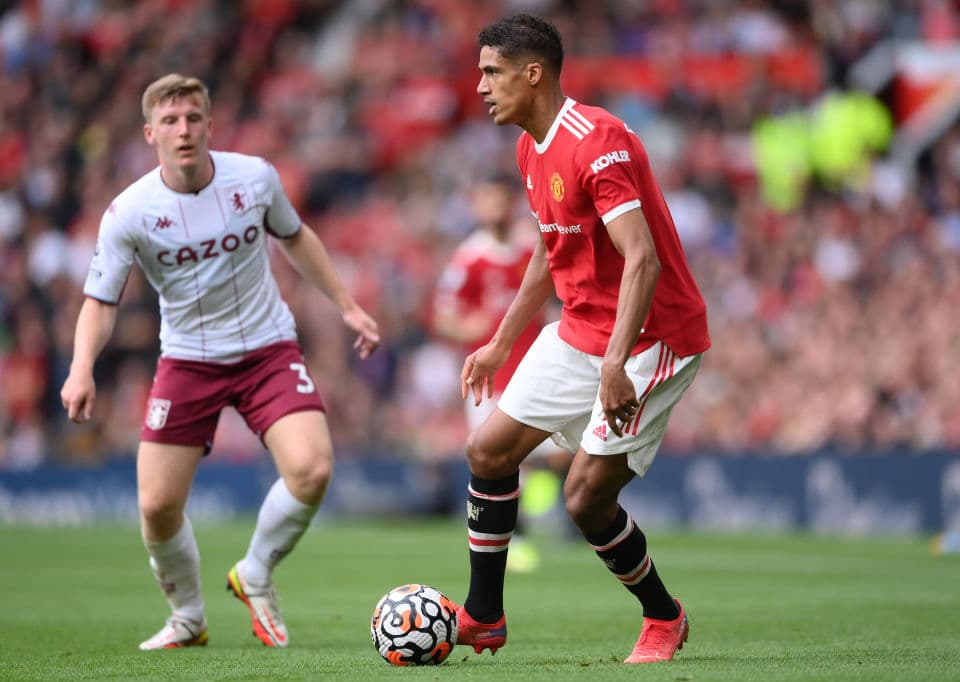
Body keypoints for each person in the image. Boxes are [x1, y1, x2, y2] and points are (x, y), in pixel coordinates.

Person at [59, 74, 380, 650]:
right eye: (172, 120)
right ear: (150, 132)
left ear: (210, 124)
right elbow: (99, 302)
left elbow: (296, 236)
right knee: (157, 506)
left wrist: (347, 306)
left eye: (193, 118)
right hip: (187, 360)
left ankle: (254, 572)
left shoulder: (253, 179)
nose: (184, 130)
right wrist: (82, 366)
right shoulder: (129, 212)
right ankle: (188, 618)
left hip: (267, 349)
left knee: (312, 467)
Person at [451, 15, 710, 664]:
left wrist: (616, 364)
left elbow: (642, 259)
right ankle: (483, 615)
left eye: (490, 72)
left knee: (584, 496)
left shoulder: (599, 142)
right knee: (488, 451)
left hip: (652, 336)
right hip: (580, 329)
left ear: (531, 73)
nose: (480, 86)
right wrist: (502, 340)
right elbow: (550, 245)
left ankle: (664, 616)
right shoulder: (528, 147)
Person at [432, 175, 569, 573]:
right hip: (489, 378)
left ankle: (530, 511)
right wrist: (467, 329)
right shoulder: (470, 257)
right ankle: (519, 536)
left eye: (498, 200)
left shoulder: (532, 246)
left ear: (512, 203)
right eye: (484, 200)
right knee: (498, 458)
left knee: (557, 455)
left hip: (536, 366)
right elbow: (444, 316)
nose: (492, 208)